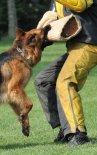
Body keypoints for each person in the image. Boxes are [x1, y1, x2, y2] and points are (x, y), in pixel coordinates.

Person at [34, 0, 97, 145]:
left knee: (65, 81)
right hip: (76, 47)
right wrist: (36, 38)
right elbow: (51, 16)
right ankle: (66, 127)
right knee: (43, 80)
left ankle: (78, 134)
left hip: (90, 45)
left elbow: (80, 5)